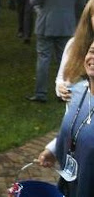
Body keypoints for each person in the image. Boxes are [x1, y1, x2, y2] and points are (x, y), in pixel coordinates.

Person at [37, 39, 94, 197]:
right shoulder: (77, 92)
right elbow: (75, 128)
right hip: (71, 185)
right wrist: (53, 150)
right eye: (91, 51)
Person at [26, 0, 86, 103]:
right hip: (67, 24)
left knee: (43, 59)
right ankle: (64, 92)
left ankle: (41, 93)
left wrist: (41, 8)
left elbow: (33, 0)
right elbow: (81, 5)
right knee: (65, 59)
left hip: (46, 24)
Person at [55, 0, 94, 102]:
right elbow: (61, 79)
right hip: (77, 109)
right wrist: (61, 89)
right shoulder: (74, 44)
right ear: (89, 19)